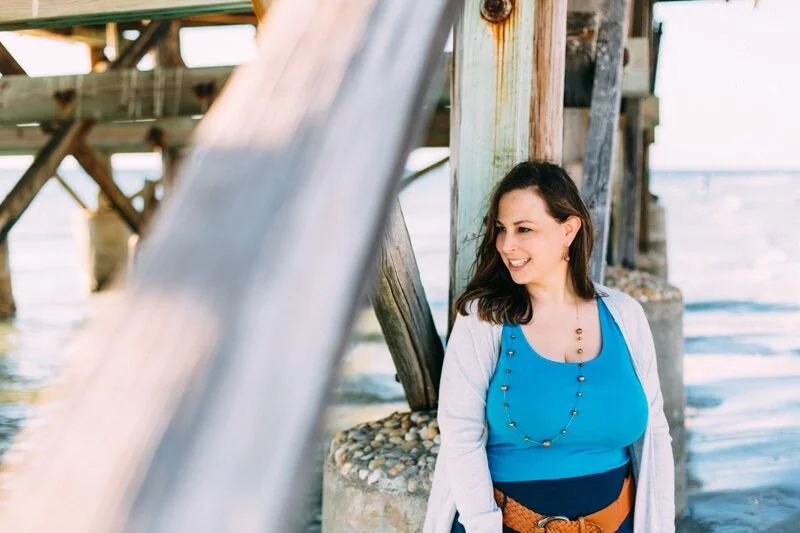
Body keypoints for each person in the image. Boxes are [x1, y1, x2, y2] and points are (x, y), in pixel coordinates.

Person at [423, 161, 675, 533]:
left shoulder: (625, 315)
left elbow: (656, 434)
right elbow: (460, 433)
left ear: (568, 230)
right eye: (501, 229)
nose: (508, 245)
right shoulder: (484, 319)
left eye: (524, 229)